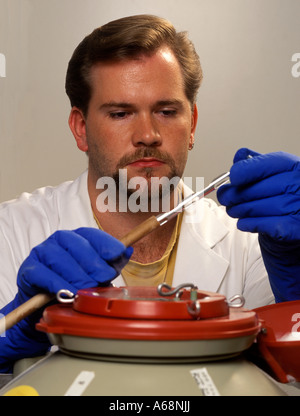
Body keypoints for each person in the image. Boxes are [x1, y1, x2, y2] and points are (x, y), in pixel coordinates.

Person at [0, 14, 299, 373]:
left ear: (192, 125)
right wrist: (9, 340)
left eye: (167, 111)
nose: (147, 134)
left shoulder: (248, 242)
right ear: (81, 129)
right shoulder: (11, 230)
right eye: (121, 113)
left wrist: (296, 284)